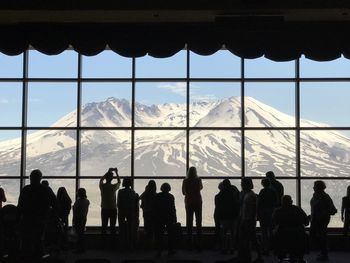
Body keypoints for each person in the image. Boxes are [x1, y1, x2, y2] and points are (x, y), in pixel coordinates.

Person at [17, 169, 56, 258]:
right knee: (38, 239)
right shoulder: (46, 189)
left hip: (27, 219)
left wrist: (18, 219)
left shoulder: (26, 189)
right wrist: (51, 217)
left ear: (30, 178)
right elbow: (55, 204)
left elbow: (20, 206)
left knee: (26, 240)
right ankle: (38, 256)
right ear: (40, 178)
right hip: (40, 219)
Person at [273, 195, 309, 263]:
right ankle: (300, 257)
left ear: (282, 202)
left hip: (282, 234)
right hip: (297, 234)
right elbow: (306, 223)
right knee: (306, 235)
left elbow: (273, 223)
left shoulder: (277, 211)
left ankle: (280, 256)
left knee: (276, 233)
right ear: (291, 202)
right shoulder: (298, 209)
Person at [235, 177, 262, 263]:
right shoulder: (249, 194)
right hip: (246, 219)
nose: (241, 185)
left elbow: (251, 210)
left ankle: (247, 256)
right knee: (249, 239)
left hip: (248, 220)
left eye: (242, 183)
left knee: (249, 239)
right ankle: (253, 256)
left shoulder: (249, 195)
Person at [310, 180, 337, 261]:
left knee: (321, 236)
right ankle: (323, 251)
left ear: (318, 187)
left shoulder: (324, 197)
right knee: (320, 236)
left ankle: (324, 252)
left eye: (315, 186)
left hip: (321, 219)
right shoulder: (317, 195)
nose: (313, 187)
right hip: (316, 218)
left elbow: (333, 210)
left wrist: (322, 213)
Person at [215, 179, 240, 254]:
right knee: (233, 232)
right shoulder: (234, 190)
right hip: (233, 215)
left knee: (224, 232)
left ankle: (224, 247)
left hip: (224, 215)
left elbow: (218, 205)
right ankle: (232, 247)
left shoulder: (220, 194)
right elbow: (238, 200)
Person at [182, 166, 203, 249]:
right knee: (198, 222)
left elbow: (183, 192)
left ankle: (189, 242)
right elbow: (201, 188)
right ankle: (199, 243)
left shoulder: (185, 181)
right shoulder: (198, 180)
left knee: (189, 222)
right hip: (198, 201)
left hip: (189, 202)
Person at [155, 183, 177, 257]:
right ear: (169, 189)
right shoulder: (171, 196)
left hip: (160, 217)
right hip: (169, 217)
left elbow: (156, 207)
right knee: (170, 234)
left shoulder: (158, 196)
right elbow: (173, 208)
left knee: (159, 235)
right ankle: (170, 250)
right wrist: (174, 217)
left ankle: (159, 251)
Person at [117, 178, 139, 250]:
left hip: (122, 211)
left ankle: (122, 245)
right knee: (130, 229)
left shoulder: (120, 191)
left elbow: (118, 203)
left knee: (122, 228)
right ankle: (130, 245)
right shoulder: (133, 192)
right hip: (130, 211)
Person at [257, 178, 277, 254]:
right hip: (271, 212)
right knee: (271, 230)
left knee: (264, 231)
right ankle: (271, 246)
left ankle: (265, 247)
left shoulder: (262, 191)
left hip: (263, 213)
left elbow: (259, 203)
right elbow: (276, 201)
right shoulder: (273, 191)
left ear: (263, 184)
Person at [99, 168, 121, 235]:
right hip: (113, 209)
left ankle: (103, 243)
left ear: (106, 178)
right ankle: (112, 243)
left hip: (104, 209)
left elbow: (101, 180)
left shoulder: (102, 186)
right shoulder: (113, 187)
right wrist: (116, 173)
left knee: (104, 227)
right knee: (113, 227)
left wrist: (108, 172)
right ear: (112, 179)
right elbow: (119, 182)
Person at [73, 188, 89, 254]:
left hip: (78, 219)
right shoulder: (87, 201)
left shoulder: (78, 201)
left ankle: (79, 249)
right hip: (84, 218)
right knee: (81, 234)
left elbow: (76, 211)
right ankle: (82, 248)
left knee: (79, 234)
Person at [214, 182, 224, 249]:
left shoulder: (217, 196)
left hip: (217, 213)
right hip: (223, 214)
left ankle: (218, 244)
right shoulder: (226, 197)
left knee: (217, 229)